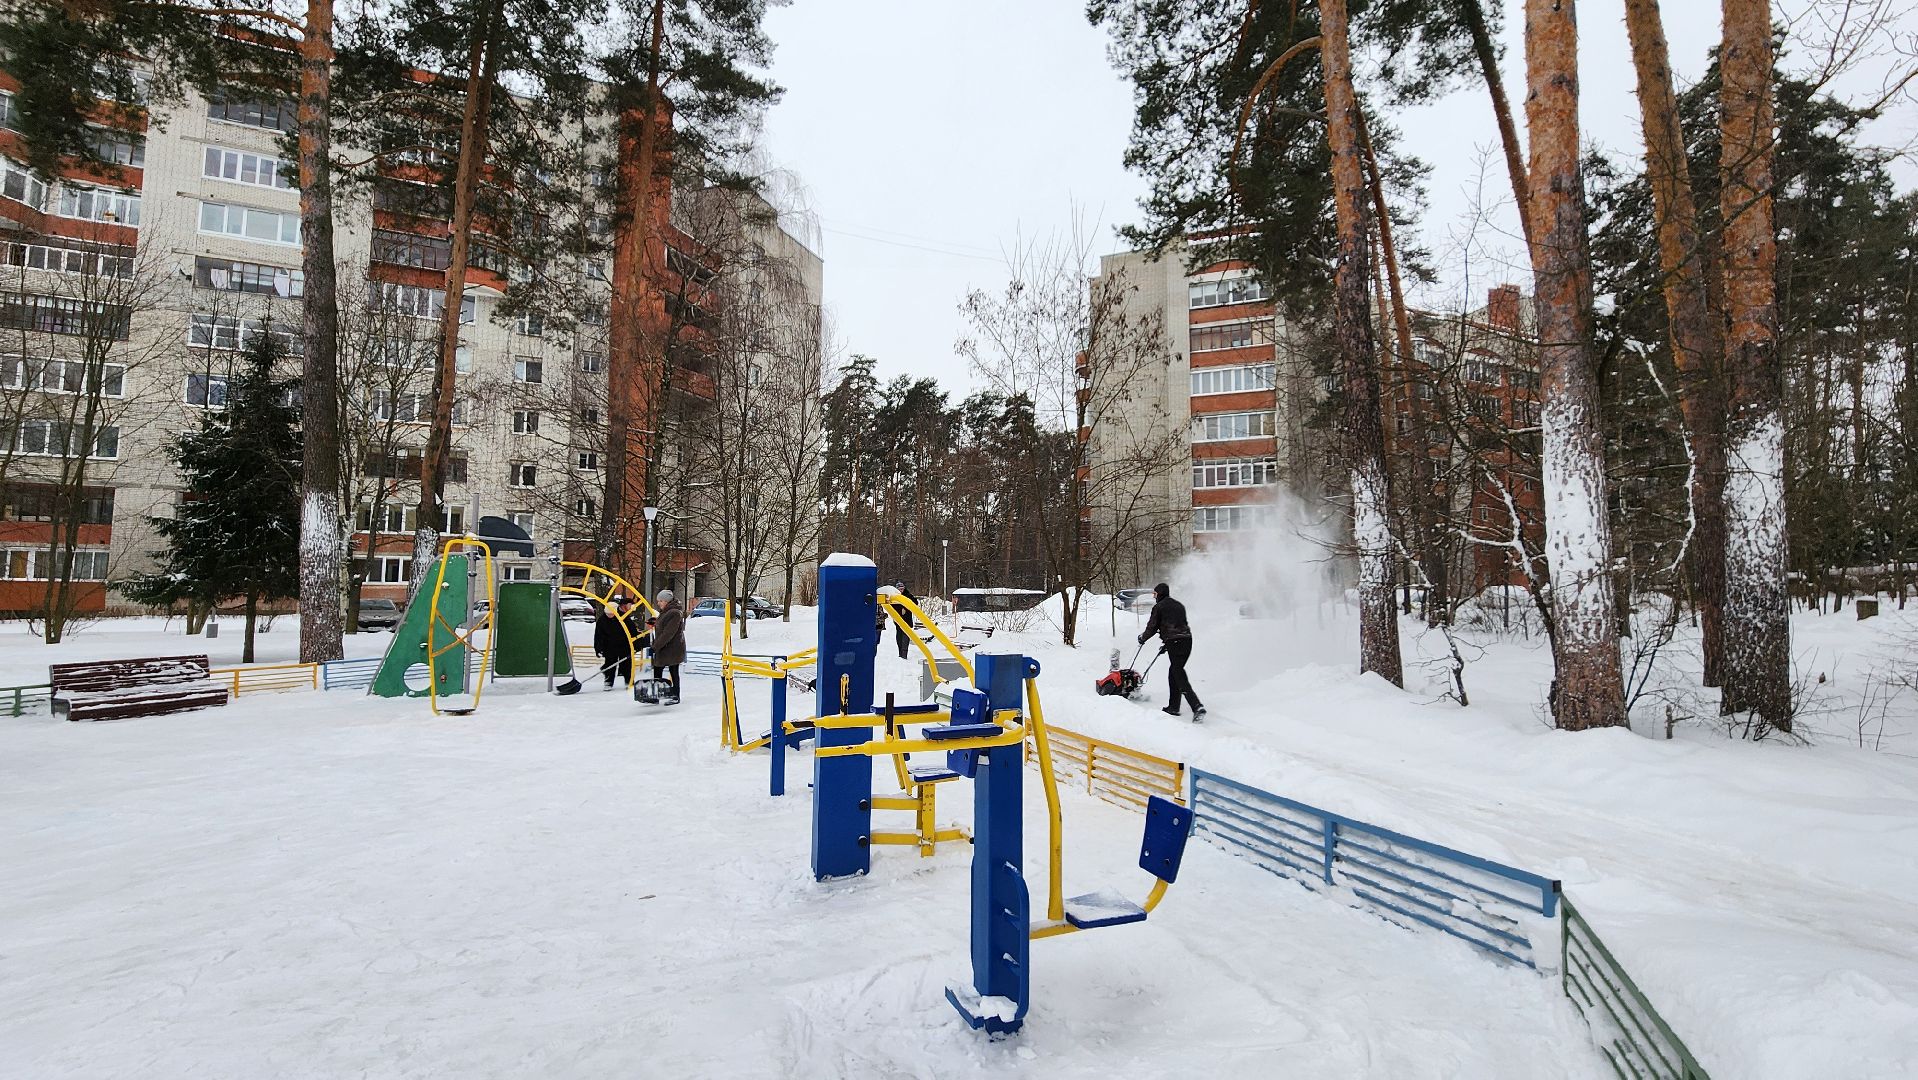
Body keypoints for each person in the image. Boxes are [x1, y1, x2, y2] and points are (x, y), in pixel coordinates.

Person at [1138, 582, 1204, 719]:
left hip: (1175, 642)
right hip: (1187, 641)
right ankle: (1173, 707)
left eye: (1155, 594)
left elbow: (1152, 627)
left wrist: (1142, 638)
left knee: (1177, 673)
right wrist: (1167, 644)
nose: (1154, 596)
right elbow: (1178, 626)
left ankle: (1197, 706)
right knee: (1174, 671)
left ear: (1160, 594)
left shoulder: (1159, 607)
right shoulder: (1179, 605)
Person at [649, 589, 686, 705]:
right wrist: (655, 622)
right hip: (665, 647)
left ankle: (675, 695)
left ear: (667, 601)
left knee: (673, 670)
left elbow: (668, 633)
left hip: (672, 648)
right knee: (658, 669)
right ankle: (656, 694)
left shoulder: (674, 612)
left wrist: (655, 647)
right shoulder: (667, 611)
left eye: (660, 601)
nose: (659, 603)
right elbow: (664, 626)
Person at [594, 597, 634, 689]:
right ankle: (608, 681)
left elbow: (632, 632)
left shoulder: (624, 618)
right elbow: (598, 636)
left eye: (612, 614)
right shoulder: (602, 621)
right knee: (610, 664)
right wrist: (598, 648)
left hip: (624, 646)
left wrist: (635, 644)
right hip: (609, 647)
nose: (610, 615)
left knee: (626, 665)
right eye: (608, 614)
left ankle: (629, 681)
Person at [894, 582, 918, 660]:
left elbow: (915, 603)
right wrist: (900, 609)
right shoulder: (894, 596)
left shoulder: (908, 595)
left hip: (907, 619)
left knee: (905, 636)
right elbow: (892, 605)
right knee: (899, 636)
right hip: (898, 619)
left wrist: (905, 607)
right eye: (899, 589)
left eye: (902, 589)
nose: (901, 590)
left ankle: (904, 654)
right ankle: (900, 653)